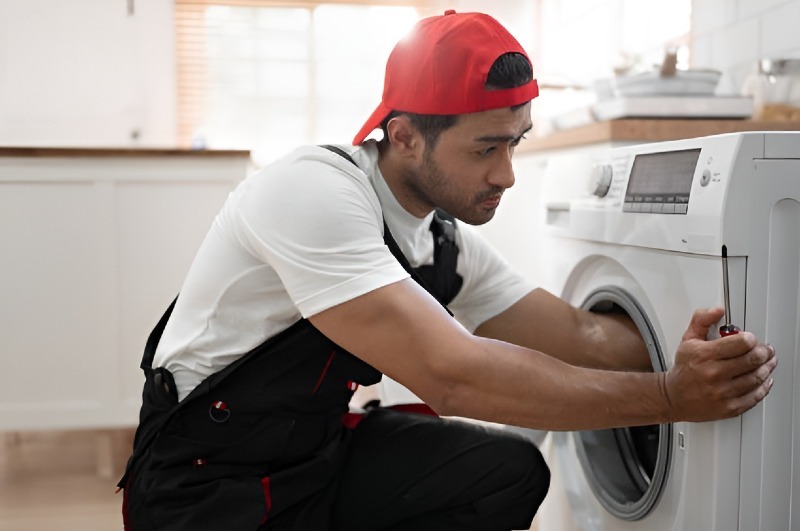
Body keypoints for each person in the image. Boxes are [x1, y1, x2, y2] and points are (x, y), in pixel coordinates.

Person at [118, 10, 777, 531]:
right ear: (403, 135)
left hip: (314, 460)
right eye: (485, 148)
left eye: (514, 141)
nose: (506, 174)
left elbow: (582, 337)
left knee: (505, 471)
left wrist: (702, 358)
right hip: (203, 487)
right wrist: (668, 397)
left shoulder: (441, 240)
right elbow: (453, 375)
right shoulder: (311, 191)